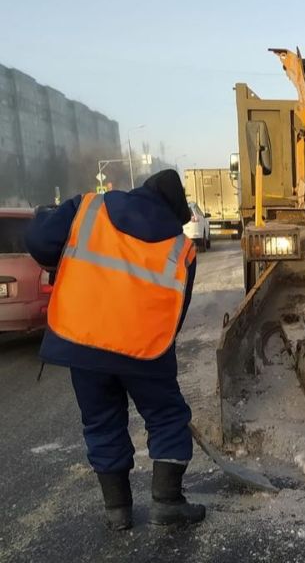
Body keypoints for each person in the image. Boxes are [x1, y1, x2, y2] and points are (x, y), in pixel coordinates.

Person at [25, 169, 206, 529]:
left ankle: (118, 511)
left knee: (101, 420)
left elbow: (39, 241)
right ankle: (167, 502)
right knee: (167, 416)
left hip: (84, 340)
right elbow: (176, 313)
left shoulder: (89, 208)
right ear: (175, 211)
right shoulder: (180, 247)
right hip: (145, 347)